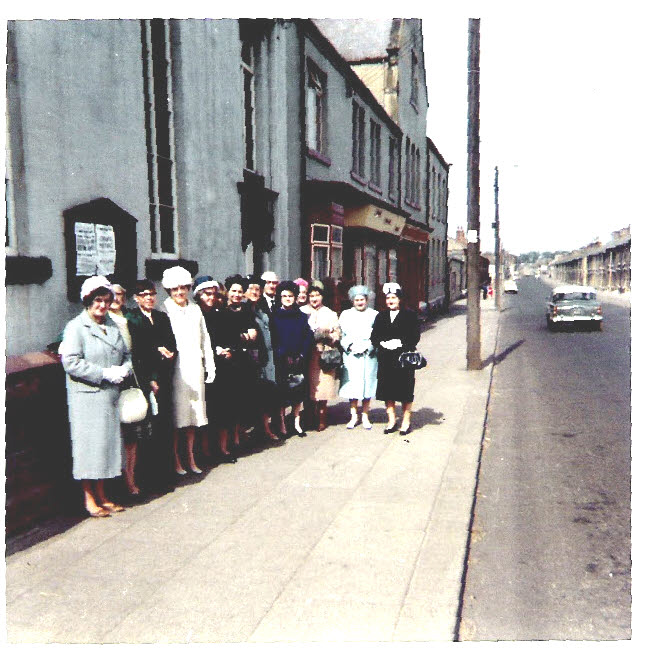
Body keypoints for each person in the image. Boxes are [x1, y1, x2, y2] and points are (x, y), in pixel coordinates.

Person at [60, 276, 131, 517]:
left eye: (107, 300)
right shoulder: (76, 327)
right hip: (87, 398)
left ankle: (103, 495)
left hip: (109, 396)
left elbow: (127, 354)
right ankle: (89, 498)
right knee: (89, 449)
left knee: (105, 448)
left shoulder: (112, 325)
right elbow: (70, 362)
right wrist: (103, 373)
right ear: (88, 301)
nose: (103, 305)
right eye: (98, 300)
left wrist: (124, 370)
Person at [161, 266, 216, 476]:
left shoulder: (195, 309)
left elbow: (205, 339)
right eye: (175, 289)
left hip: (195, 367)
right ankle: (176, 459)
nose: (179, 292)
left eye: (183, 288)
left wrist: (209, 365)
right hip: (177, 370)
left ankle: (191, 457)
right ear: (169, 290)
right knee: (179, 417)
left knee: (194, 416)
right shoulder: (164, 309)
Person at [126, 279, 177, 494]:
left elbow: (171, 342)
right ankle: (148, 478)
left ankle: (165, 474)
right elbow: (138, 351)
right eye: (144, 294)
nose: (148, 298)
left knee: (164, 424)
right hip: (146, 379)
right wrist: (151, 377)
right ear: (136, 298)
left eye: (151, 294)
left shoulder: (161, 317)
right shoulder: (133, 319)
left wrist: (169, 353)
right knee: (148, 429)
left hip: (164, 375)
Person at [211, 274, 258, 461]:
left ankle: (237, 440)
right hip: (224, 364)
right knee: (226, 407)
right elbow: (221, 337)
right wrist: (241, 337)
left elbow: (252, 335)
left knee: (239, 403)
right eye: (234, 291)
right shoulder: (220, 312)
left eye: (240, 291)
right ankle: (223, 447)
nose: (237, 294)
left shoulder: (246, 311)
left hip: (241, 362)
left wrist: (240, 338)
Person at [370, 282, 421, 435]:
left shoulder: (410, 315)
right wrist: (382, 343)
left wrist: (401, 343)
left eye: (393, 297)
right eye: (388, 298)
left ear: (399, 299)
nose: (390, 301)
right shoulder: (381, 316)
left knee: (405, 390)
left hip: (403, 358)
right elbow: (374, 336)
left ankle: (406, 421)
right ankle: (391, 420)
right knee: (388, 390)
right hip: (386, 358)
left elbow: (415, 336)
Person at [272, 280, 314, 436]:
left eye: (290, 296)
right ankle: (282, 424)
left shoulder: (302, 316)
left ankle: (297, 423)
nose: (287, 299)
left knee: (298, 392)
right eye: (284, 296)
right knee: (282, 393)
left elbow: (307, 337)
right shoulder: (275, 316)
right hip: (281, 359)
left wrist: (301, 354)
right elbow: (274, 338)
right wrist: (283, 354)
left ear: (295, 297)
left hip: (299, 359)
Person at [301, 283, 340, 431]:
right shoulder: (302, 311)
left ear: (322, 296)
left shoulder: (330, 313)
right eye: (311, 296)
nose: (314, 298)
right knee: (309, 387)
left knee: (324, 387)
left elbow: (337, 334)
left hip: (324, 355)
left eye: (317, 295)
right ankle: (309, 416)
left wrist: (328, 335)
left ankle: (322, 417)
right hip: (308, 354)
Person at [246, 276, 280, 441]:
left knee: (266, 393)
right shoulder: (244, 310)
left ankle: (265, 428)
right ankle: (245, 432)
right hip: (252, 359)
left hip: (267, 357)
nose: (254, 292)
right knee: (252, 395)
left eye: (257, 289)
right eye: (251, 289)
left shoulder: (260, 308)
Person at [338, 285, 378, 429]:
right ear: (352, 301)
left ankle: (365, 415)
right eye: (357, 300)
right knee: (353, 386)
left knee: (367, 385)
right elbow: (340, 334)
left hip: (368, 355)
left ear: (367, 300)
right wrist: (349, 346)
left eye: (362, 299)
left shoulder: (374, 314)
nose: (360, 302)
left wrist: (370, 347)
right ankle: (354, 415)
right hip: (352, 356)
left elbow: (378, 334)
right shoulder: (345, 314)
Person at [193, 275, 222, 461]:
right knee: (201, 410)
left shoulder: (216, 314)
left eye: (213, 294)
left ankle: (212, 448)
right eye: (207, 294)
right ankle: (201, 450)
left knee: (213, 410)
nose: (211, 297)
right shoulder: (195, 313)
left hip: (216, 366)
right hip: (199, 367)